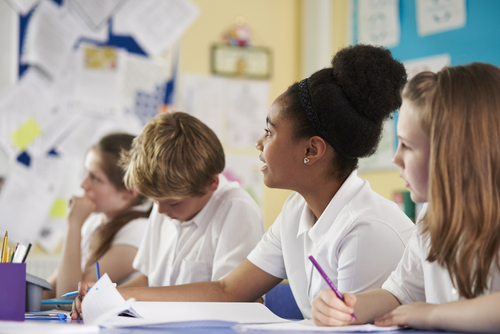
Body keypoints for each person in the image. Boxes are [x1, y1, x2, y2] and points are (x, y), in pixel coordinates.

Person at [72, 44, 413, 319]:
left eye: (270, 131)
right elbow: (229, 291)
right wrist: (119, 295)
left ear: (311, 149)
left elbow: (348, 331)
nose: (259, 143)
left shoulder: (365, 229)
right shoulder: (297, 210)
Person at [311, 63, 500, 333]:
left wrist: (433, 314)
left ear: (456, 153)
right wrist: (348, 307)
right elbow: (399, 294)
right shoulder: (431, 214)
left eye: (408, 146)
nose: (395, 158)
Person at [106, 112, 263, 290]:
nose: (160, 211)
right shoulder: (165, 204)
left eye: (173, 203)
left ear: (211, 183)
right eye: (154, 201)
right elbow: (149, 279)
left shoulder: (236, 208)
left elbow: (233, 296)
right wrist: (110, 296)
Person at [44, 133, 152, 299]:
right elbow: (50, 288)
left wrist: (73, 225)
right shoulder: (94, 223)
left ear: (128, 192)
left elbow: (69, 297)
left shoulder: (138, 230)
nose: (83, 184)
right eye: (85, 173)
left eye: (94, 178)